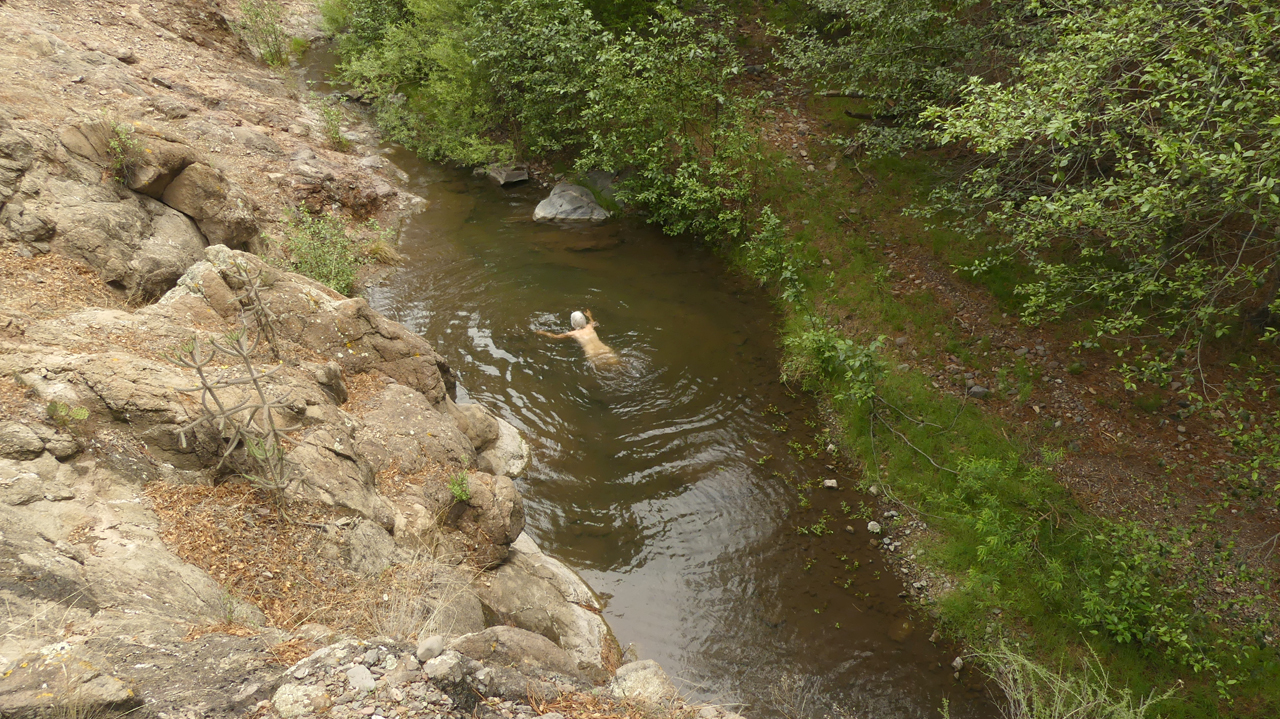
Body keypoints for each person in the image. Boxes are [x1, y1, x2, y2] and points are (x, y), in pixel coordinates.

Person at [537, 310, 619, 365]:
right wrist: (589, 316)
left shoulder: (573, 333)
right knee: (618, 365)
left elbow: (556, 336)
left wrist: (543, 332)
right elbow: (593, 323)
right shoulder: (590, 327)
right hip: (605, 349)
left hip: (592, 353)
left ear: (573, 323)